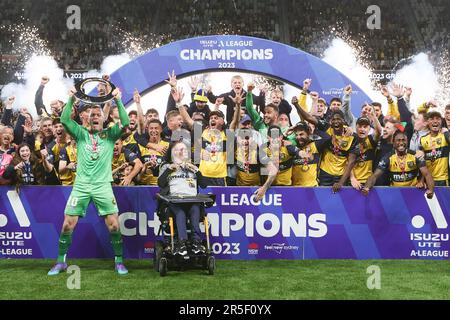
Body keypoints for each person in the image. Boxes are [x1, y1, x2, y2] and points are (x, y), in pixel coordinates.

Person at [48, 86, 130, 276]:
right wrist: (70, 99)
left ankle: (119, 261)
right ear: (86, 118)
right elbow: (64, 119)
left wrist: (118, 100)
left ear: (103, 118)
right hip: (81, 186)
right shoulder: (80, 133)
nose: (94, 116)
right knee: (67, 224)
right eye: (91, 113)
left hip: (102, 186)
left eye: (98, 114)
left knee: (114, 225)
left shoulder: (110, 135)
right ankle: (61, 261)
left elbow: (125, 122)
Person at [158, 141, 208, 256]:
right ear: (172, 152)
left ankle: (196, 242)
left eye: (183, 149)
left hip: (192, 201)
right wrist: (170, 169)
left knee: (195, 209)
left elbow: (204, 184)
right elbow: (160, 184)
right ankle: (182, 243)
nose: (181, 152)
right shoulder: (166, 166)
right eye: (178, 149)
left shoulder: (193, 166)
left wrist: (195, 170)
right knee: (180, 213)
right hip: (174, 202)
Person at [361, 130, 435, 197]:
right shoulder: (388, 158)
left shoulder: (415, 155)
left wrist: (430, 190)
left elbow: (426, 173)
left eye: (403, 140)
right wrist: (367, 187)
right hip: (396, 194)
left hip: (413, 192)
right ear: (393, 143)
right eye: (398, 140)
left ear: (407, 141)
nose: (401, 143)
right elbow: (375, 175)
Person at [419, 111, 450, 186]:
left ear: (441, 122)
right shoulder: (423, 139)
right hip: (428, 180)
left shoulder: (445, 136)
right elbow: (422, 162)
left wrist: (447, 132)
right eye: (432, 119)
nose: (435, 121)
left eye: (438, 119)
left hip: (443, 180)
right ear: (427, 122)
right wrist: (422, 180)